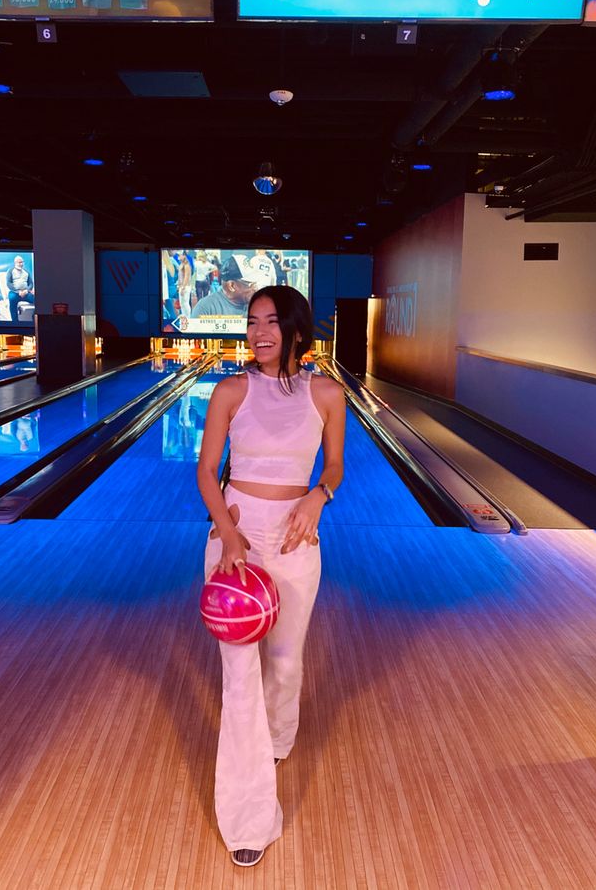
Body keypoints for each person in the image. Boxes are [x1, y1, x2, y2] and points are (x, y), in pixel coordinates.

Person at [197, 285, 345, 867]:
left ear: (297, 331)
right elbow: (208, 472)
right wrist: (228, 531)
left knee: (284, 662)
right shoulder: (230, 389)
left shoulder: (328, 393)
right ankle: (249, 818)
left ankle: (277, 740)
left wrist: (318, 496)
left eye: (271, 322)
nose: (259, 332)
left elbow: (333, 463)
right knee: (239, 677)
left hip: (294, 536)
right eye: (252, 321)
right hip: (235, 536)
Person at [190, 254, 272, 319]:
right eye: (251, 284)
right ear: (231, 286)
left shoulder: (259, 305)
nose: (256, 288)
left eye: (256, 283)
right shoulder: (205, 309)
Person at [6, 255, 35, 325]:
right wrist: (18, 291)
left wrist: (26, 291)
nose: (21, 264)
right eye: (19, 262)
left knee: (37, 300)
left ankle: (34, 319)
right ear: (15, 263)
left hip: (25, 292)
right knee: (12, 299)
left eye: (22, 262)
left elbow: (31, 283)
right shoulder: (10, 271)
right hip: (15, 292)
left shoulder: (26, 272)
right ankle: (15, 322)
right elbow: (8, 284)